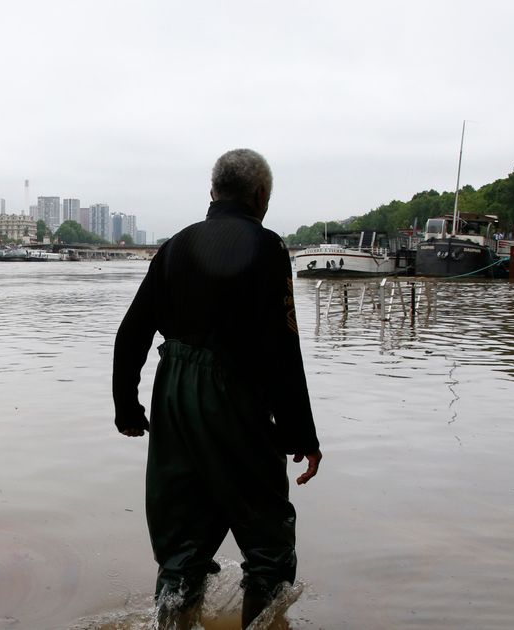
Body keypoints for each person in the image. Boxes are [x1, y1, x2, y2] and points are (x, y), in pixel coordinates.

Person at [112, 149, 322, 628]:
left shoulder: (174, 247)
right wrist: (301, 434)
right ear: (261, 196)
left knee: (181, 544)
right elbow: (283, 349)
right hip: (235, 394)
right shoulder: (268, 248)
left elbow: (132, 332)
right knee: (268, 545)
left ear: (212, 193)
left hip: (173, 394)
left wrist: (128, 406)